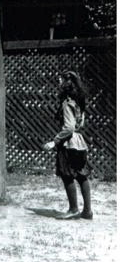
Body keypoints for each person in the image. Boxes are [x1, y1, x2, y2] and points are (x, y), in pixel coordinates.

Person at [42, 70, 93, 220]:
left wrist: (55, 141)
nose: (58, 82)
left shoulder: (66, 103)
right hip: (79, 142)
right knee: (81, 175)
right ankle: (87, 211)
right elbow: (80, 124)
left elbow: (69, 128)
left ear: (65, 84)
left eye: (60, 80)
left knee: (67, 175)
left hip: (68, 144)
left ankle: (73, 209)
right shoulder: (78, 102)